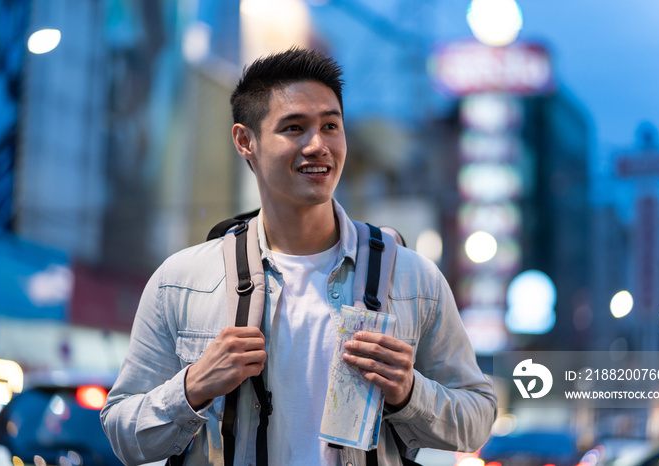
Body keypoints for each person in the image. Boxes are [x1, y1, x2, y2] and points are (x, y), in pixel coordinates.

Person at [101, 47, 497, 466]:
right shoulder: (181, 280)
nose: (318, 145)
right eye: (294, 128)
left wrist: (409, 391)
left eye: (331, 125)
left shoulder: (414, 280)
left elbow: (477, 419)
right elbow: (123, 433)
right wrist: (194, 386)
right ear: (245, 141)